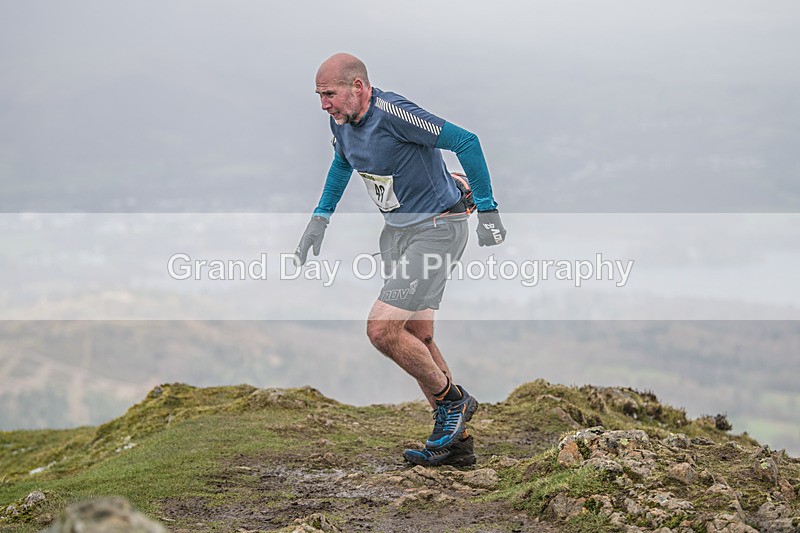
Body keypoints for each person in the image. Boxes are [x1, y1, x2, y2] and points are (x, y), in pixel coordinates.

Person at [295, 53, 506, 467]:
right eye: (319, 96)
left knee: (382, 329)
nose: (324, 105)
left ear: (358, 87)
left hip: (436, 230)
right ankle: (456, 445)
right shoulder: (341, 121)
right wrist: (320, 219)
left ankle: (453, 402)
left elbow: (467, 141)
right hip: (398, 233)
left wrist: (488, 209)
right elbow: (343, 163)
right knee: (418, 334)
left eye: (330, 94)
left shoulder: (394, 113)